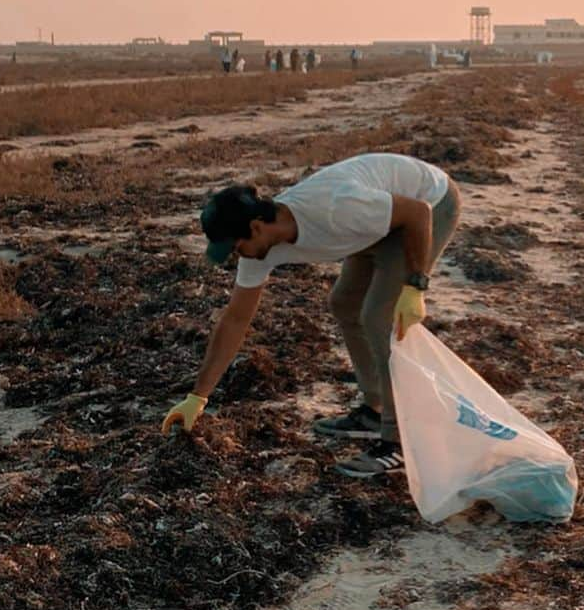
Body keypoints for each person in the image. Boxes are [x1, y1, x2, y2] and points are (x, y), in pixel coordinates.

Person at [161, 153, 461, 479]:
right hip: (381, 218)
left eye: (235, 249)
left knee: (379, 317)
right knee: (345, 303)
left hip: (431, 203)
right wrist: (197, 397)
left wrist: (415, 286)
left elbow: (418, 213)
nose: (237, 257)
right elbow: (235, 320)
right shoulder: (259, 247)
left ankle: (398, 442)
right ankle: (374, 407)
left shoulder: (334, 209)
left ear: (256, 227)